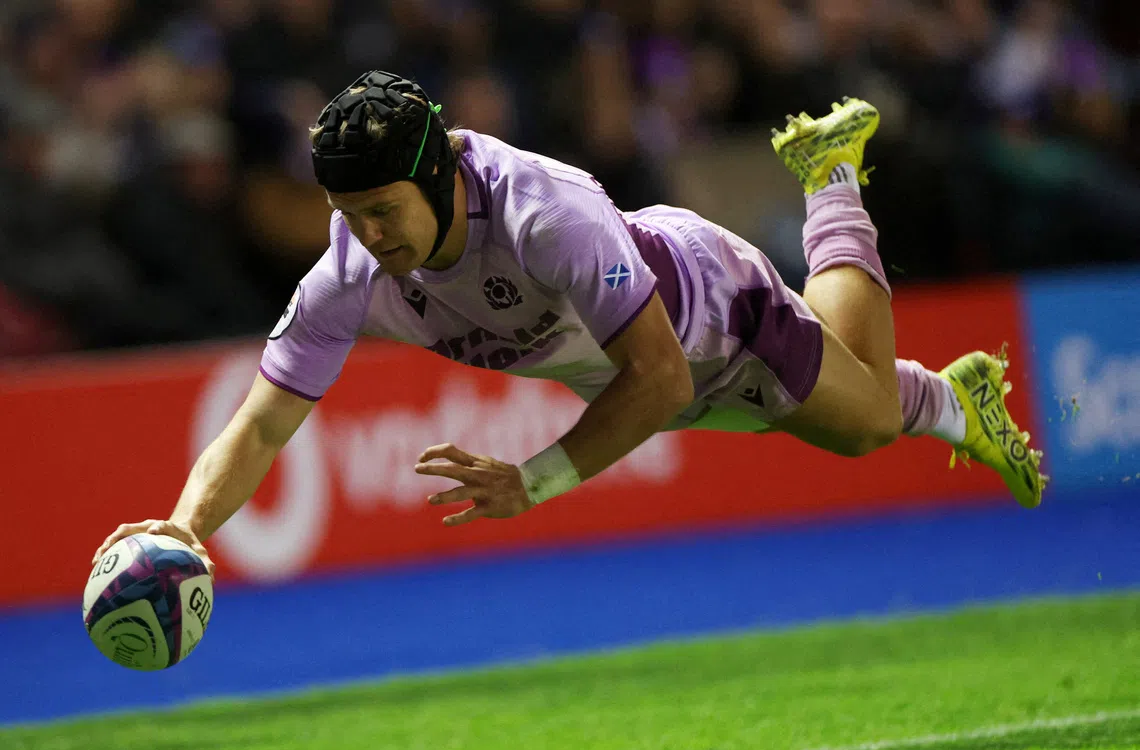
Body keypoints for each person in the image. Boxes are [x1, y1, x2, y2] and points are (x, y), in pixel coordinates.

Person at [92, 71, 1045, 577]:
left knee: (865, 423)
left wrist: (535, 480)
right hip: (638, 376)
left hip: (711, 313)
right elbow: (263, 424)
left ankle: (830, 176)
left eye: (382, 210)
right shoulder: (351, 271)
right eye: (348, 214)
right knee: (854, 407)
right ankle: (955, 398)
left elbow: (662, 377)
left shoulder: (545, 214)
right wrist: (184, 528)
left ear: (437, 178)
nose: (368, 235)